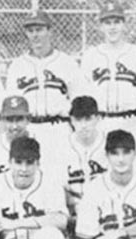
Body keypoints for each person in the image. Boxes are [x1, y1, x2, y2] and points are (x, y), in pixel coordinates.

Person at [6, 10, 89, 143]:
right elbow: (11, 105)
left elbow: (80, 101)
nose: (35, 35)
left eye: (39, 30)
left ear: (50, 31)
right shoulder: (17, 65)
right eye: (31, 31)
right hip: (29, 128)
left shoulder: (66, 62)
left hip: (59, 127)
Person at [80, 3, 136, 141]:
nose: (112, 27)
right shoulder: (90, 56)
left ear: (124, 25)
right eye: (107, 23)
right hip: (100, 122)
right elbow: (82, 95)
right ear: (101, 27)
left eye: (117, 22)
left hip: (133, 121)